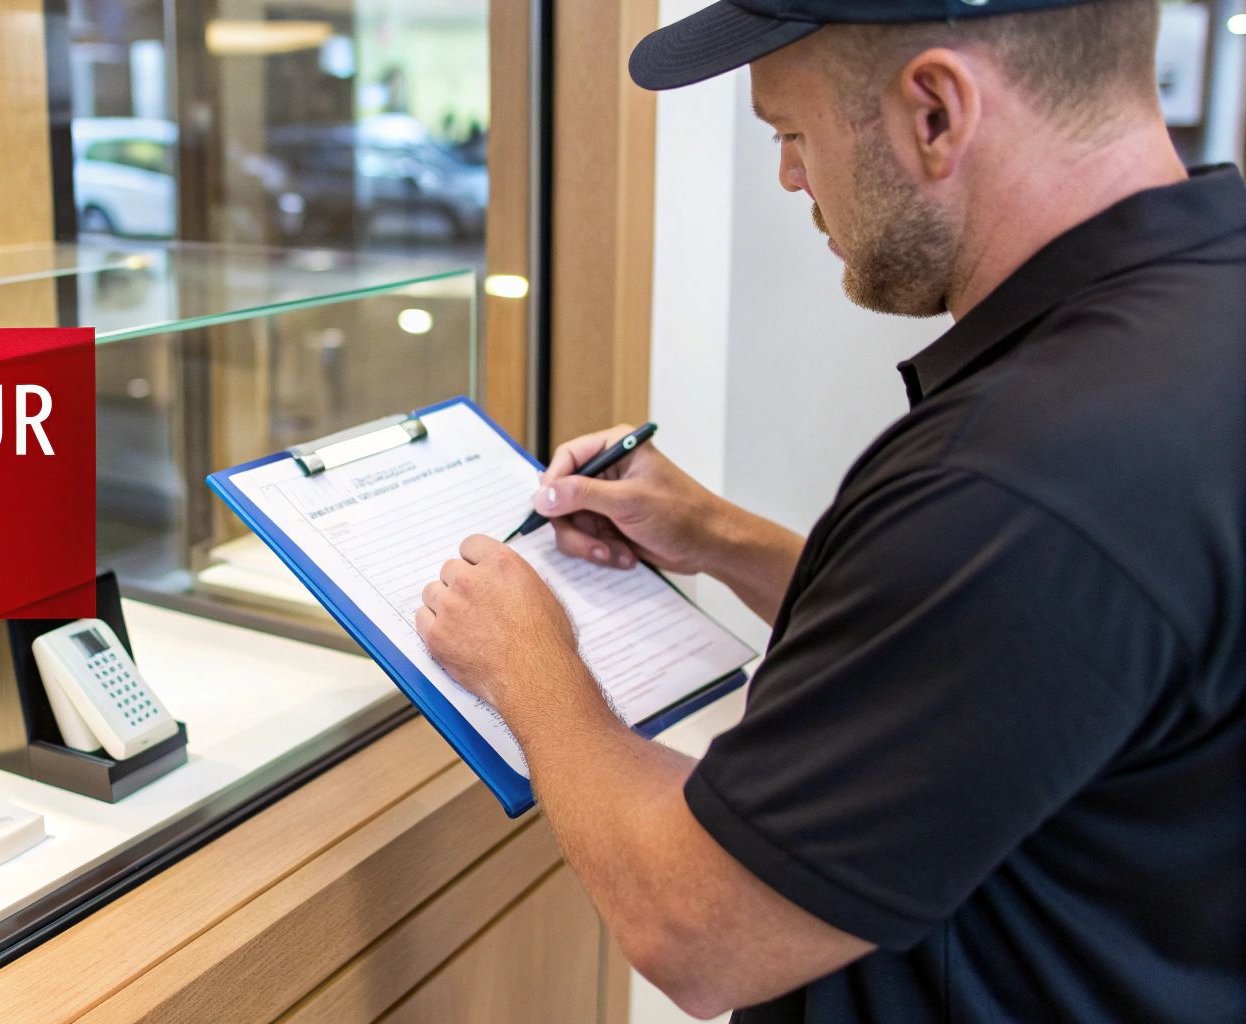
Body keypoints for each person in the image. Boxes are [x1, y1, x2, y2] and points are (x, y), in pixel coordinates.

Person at [413, 1, 1246, 1020]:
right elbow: (1002, 663)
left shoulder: (1017, 479)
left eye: (790, 132)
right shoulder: (1199, 318)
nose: (788, 177)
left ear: (933, 112)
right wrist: (717, 537)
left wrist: (528, 665)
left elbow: (697, 926)